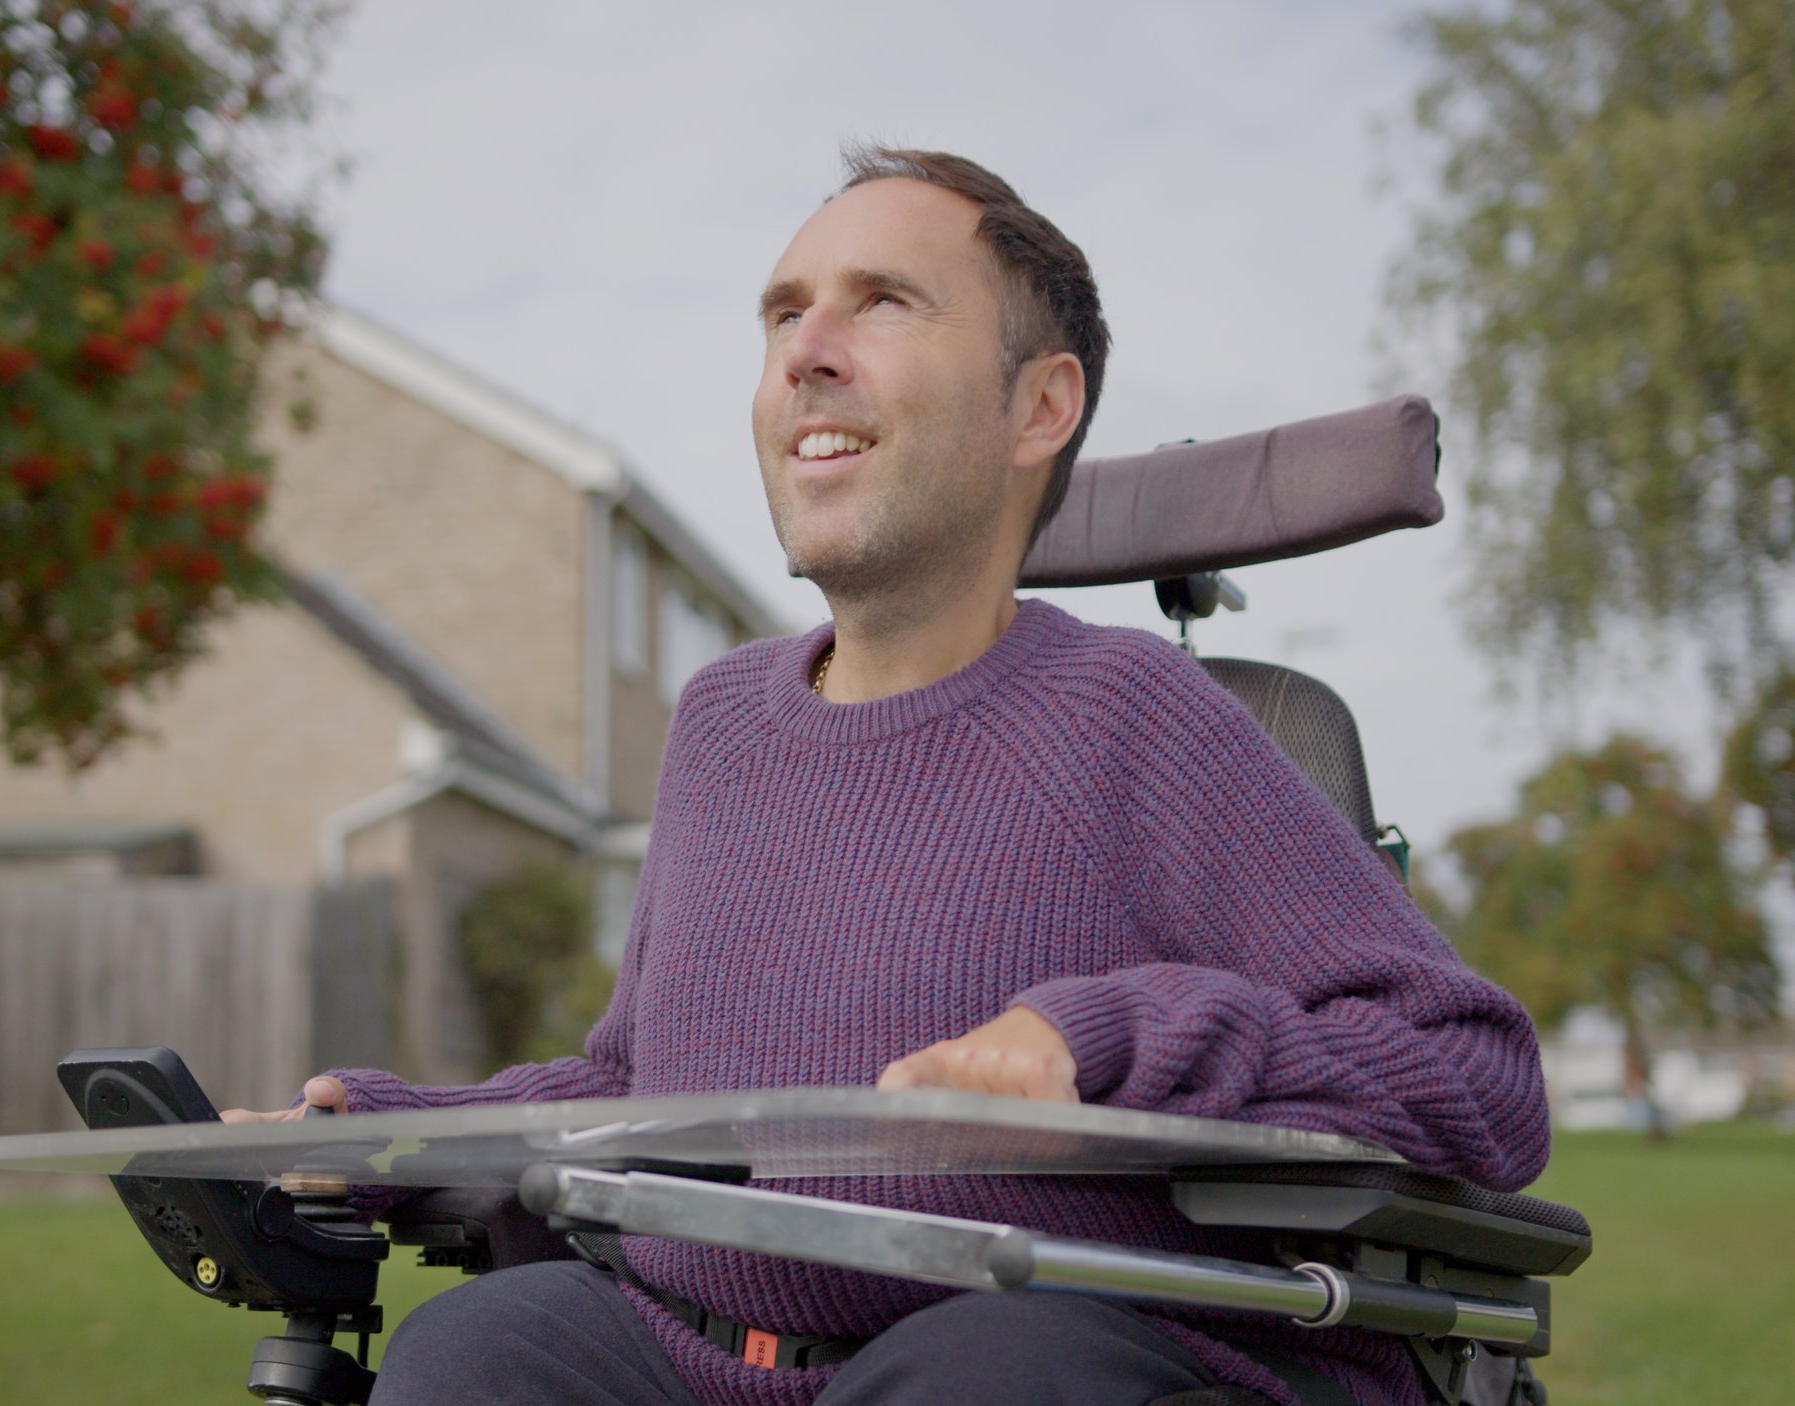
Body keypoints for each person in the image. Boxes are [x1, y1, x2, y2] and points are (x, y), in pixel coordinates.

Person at [223, 146, 1550, 1406]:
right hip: (701, 1352)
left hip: (1041, 1350)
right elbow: (641, 1087)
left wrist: (1111, 1037)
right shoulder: (720, 724)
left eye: (883, 303)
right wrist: (387, 1132)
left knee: (973, 1374)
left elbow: (1475, 1074)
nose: (805, 350)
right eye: (784, 313)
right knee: (479, 1348)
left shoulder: (1133, 716)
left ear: (1039, 406)